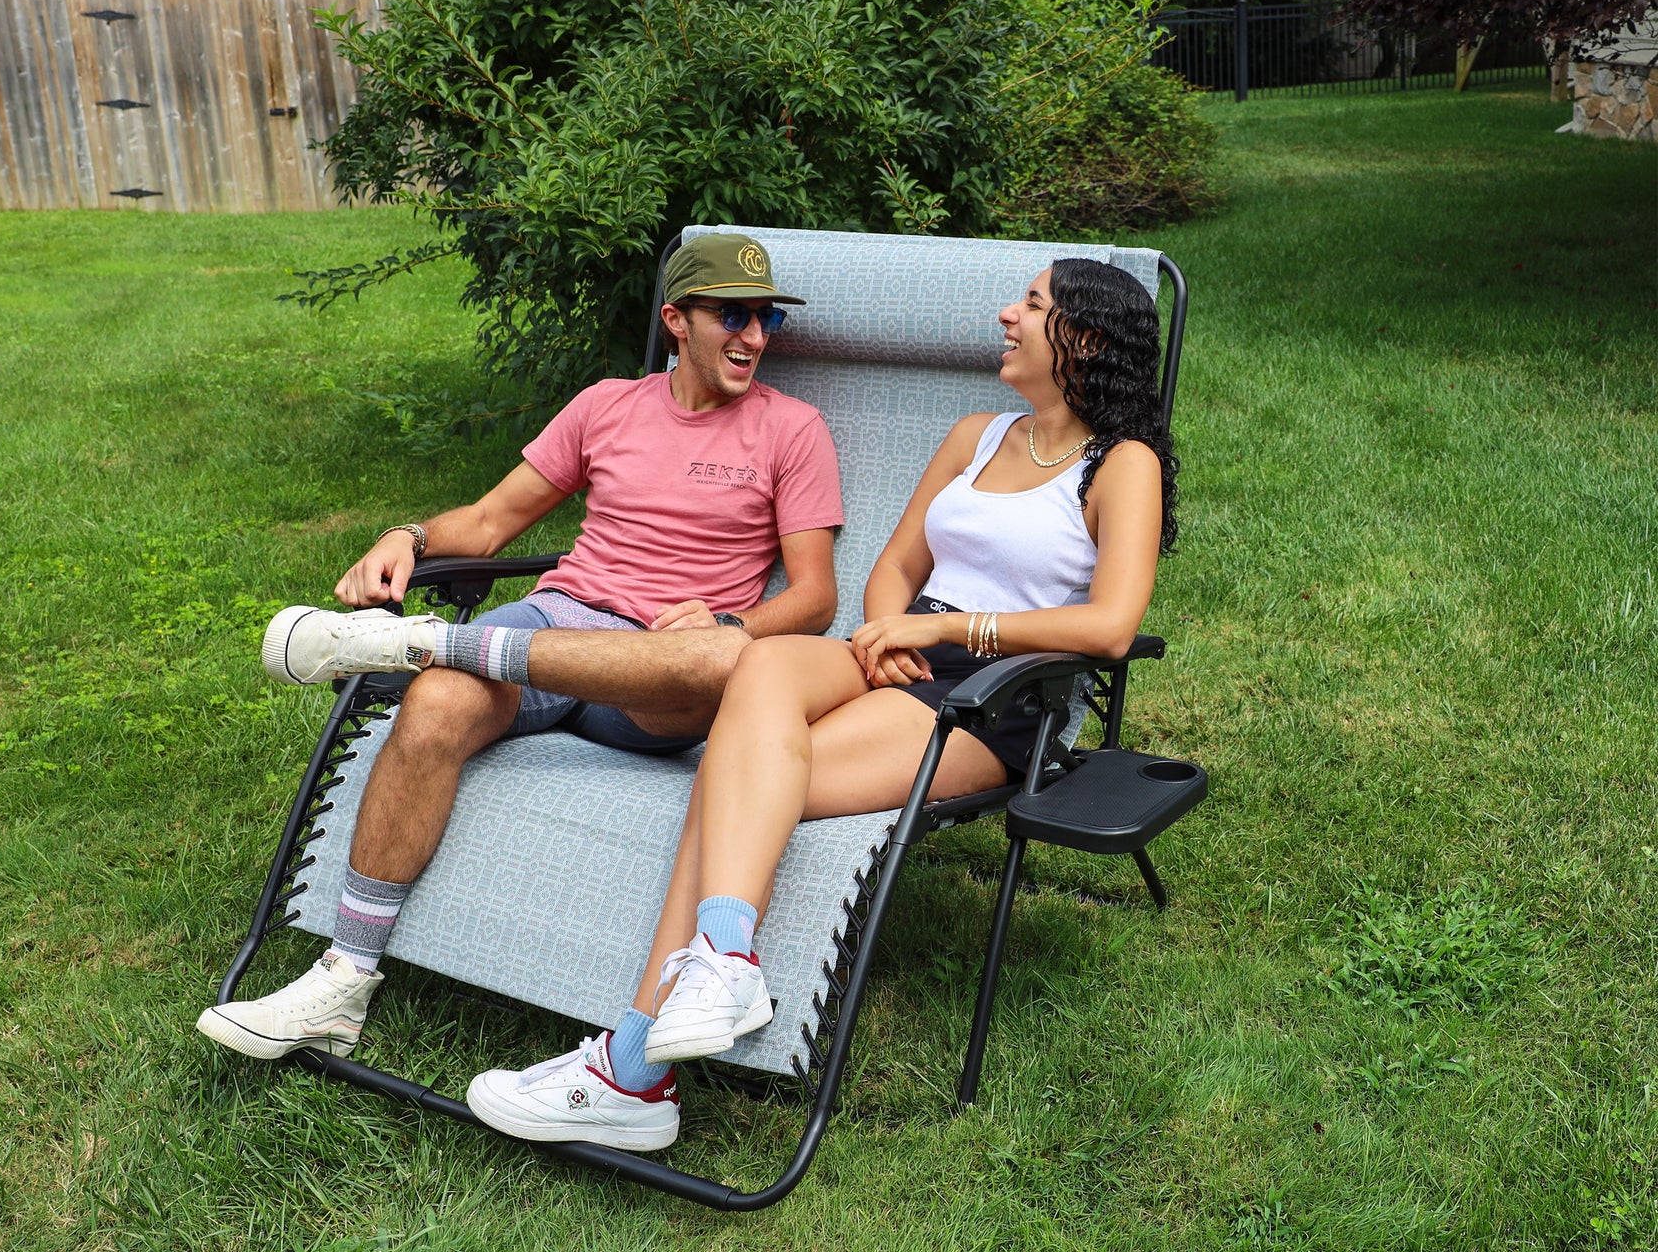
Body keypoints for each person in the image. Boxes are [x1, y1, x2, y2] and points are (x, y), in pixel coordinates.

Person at [463, 258, 1179, 1152]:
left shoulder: (1123, 466)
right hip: (900, 654)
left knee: (736, 778)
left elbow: (1112, 626)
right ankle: (724, 959)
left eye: (1029, 305)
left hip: (994, 697)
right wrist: (887, 634)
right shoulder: (976, 437)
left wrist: (954, 634)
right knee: (753, 675)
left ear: (1083, 338)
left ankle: (635, 1069)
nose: (1005, 314)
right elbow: (894, 568)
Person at [196, 233, 843, 1063]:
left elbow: (816, 597)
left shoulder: (793, 429)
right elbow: (494, 521)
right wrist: (411, 535)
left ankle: (432, 644)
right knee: (435, 704)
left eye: (765, 319)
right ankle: (344, 980)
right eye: (733, 315)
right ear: (677, 320)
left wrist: (734, 626)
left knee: (720, 661)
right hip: (557, 619)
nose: (754, 336)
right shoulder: (607, 404)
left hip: (660, 668)